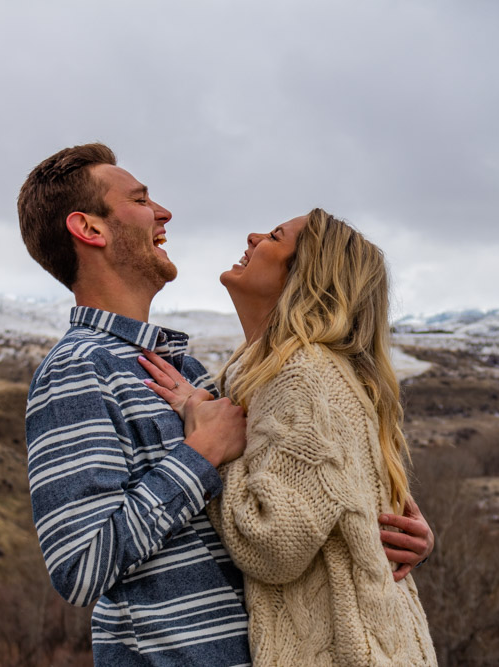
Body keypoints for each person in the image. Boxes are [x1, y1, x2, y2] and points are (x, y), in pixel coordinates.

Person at [17, 144, 433, 666]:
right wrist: (199, 456)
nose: (165, 212)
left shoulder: (194, 376)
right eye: (142, 199)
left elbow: (296, 497)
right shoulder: (78, 371)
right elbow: (79, 567)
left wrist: (386, 535)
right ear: (91, 230)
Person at [140, 209, 437, 665]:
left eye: (275, 236)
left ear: (305, 277)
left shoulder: (303, 375)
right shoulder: (272, 371)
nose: (253, 235)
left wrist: (211, 444)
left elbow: (272, 545)